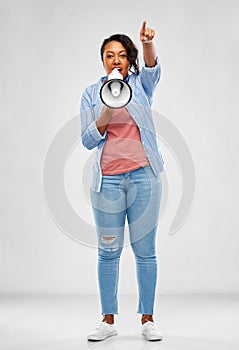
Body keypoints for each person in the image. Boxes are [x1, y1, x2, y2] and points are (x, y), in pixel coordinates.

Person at [80, 20, 164, 342]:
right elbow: (88, 140)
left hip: (144, 178)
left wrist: (146, 45)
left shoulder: (141, 87)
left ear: (129, 59)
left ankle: (147, 319)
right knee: (108, 252)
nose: (115, 60)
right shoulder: (90, 93)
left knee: (145, 251)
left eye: (121, 55)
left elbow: (154, 69)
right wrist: (107, 105)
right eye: (109, 55)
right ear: (103, 61)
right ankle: (108, 320)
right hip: (109, 185)